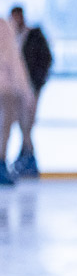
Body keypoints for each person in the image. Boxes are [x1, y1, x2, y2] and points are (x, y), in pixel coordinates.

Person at [8, 5, 51, 179]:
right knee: (21, 123)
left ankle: (29, 157)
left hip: (32, 87)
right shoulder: (11, 37)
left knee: (27, 122)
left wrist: (37, 83)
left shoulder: (34, 36)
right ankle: (25, 156)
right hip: (16, 88)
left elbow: (46, 59)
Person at [0, 16, 35, 188]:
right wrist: (27, 92)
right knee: (3, 129)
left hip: (5, 88)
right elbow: (14, 61)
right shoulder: (4, 28)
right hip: (4, 89)